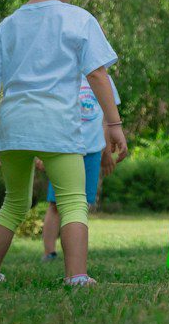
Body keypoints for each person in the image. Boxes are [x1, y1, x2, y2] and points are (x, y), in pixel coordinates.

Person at [0, 0, 126, 287]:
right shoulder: (79, 20)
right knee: (74, 202)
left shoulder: (7, 26)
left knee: (12, 204)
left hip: (13, 126)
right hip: (57, 127)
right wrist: (114, 124)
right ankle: (76, 276)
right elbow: (99, 76)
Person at [43, 73, 121, 263]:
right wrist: (44, 150)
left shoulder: (104, 79)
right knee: (56, 204)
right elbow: (51, 115)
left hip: (93, 150)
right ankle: (49, 252)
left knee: (82, 204)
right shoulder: (63, 74)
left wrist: (106, 151)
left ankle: (75, 253)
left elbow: (107, 120)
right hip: (65, 149)